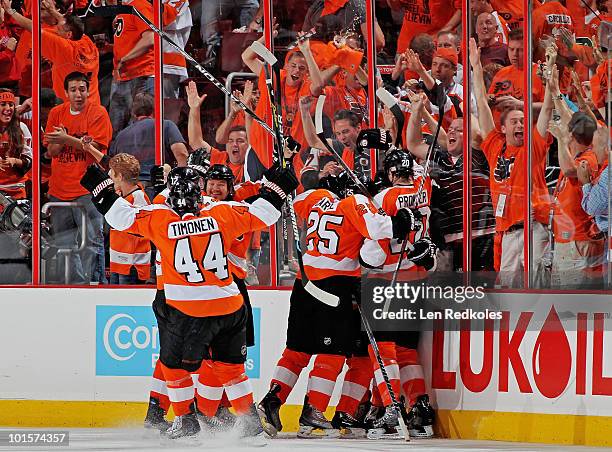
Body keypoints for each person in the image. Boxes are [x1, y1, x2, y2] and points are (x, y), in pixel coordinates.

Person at [81, 161, 299, 442]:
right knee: (231, 369)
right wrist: (277, 187)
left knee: (173, 366)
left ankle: (185, 420)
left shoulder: (160, 218)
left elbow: (119, 216)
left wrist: (101, 189)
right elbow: (265, 213)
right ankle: (251, 425)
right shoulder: (221, 212)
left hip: (187, 310)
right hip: (230, 306)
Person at [257, 171, 421, 438]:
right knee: (332, 353)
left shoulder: (316, 198)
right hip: (335, 286)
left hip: (304, 283)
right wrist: (401, 222)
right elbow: (376, 231)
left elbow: (297, 200)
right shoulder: (353, 202)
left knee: (296, 350)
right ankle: (313, 411)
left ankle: (271, 401)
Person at [469, 37, 554, 287]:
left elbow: (547, 110)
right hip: (507, 232)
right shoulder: (495, 146)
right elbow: (482, 106)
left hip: (533, 228)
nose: (519, 124)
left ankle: (541, 324)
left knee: (536, 286)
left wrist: (551, 83)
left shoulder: (534, 147)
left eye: (523, 121)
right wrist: (475, 67)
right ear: (503, 127)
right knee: (508, 291)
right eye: (514, 121)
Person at [44, 71, 112, 284]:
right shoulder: (57, 112)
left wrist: (66, 137)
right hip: (59, 191)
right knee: (65, 245)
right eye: (73, 90)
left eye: (82, 89)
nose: (78, 94)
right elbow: (52, 151)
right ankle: (75, 287)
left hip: (88, 191)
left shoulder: (98, 113)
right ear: (65, 92)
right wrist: (65, 141)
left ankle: (95, 284)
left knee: (92, 242)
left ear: (89, 90)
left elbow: (96, 150)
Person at [4, 0, 100, 104]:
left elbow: (34, 28)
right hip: (93, 105)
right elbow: (69, 24)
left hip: (71, 108)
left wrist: (10, 10)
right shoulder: (87, 41)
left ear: (68, 35)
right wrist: (52, 10)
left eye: (59, 30)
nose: (56, 31)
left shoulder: (63, 47)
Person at [110, 92, 189, 187]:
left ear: (134, 113)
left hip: (130, 191)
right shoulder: (166, 125)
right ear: (155, 110)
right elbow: (181, 153)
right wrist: (181, 181)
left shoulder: (121, 136)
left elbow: (114, 166)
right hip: (158, 189)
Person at [108, 0, 155, 135]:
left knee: (139, 129)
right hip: (122, 76)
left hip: (141, 75)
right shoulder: (123, 9)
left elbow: (150, 38)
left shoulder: (140, 4)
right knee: (115, 130)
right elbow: (129, 41)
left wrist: (124, 59)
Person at [107, 153, 151, 285]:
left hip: (132, 264)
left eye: (112, 174)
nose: (109, 177)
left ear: (120, 176)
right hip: (118, 262)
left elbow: (140, 231)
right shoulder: (120, 196)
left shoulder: (139, 197)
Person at [0, 89, 31, 199]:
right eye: (3, 104)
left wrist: (15, 161)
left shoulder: (21, 128)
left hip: (16, 189)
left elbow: (29, 161)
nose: (8, 109)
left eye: (11, 105)